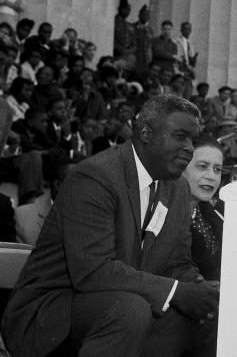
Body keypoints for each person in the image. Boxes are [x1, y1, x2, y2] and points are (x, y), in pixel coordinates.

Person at [0, 95, 219, 356]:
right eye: (180, 136)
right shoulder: (94, 177)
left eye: (193, 139)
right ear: (146, 133)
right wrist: (175, 291)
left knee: (211, 313)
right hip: (51, 313)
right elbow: (93, 271)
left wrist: (200, 289)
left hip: (124, 306)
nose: (190, 148)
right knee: (129, 310)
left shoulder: (178, 188)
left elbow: (178, 263)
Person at [184, 137, 226, 282]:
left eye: (217, 169)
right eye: (202, 166)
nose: (211, 176)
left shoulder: (215, 215)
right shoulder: (161, 218)